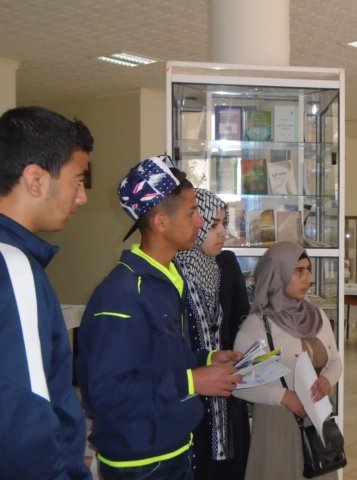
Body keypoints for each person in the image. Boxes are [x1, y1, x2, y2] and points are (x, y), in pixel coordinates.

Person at [76, 155, 243, 480]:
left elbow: (158, 361)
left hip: (174, 448)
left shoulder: (168, 279)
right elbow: (106, 393)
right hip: (141, 463)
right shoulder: (123, 294)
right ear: (161, 222)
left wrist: (206, 359)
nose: (200, 222)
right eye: (192, 212)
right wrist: (193, 381)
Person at [0, 106, 94, 479]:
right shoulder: (13, 267)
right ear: (36, 180)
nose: (82, 197)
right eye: (78, 180)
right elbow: (26, 414)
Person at [233, 241, 343, 480]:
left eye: (309, 269)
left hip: (316, 421)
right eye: (298, 271)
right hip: (277, 422)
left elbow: (335, 360)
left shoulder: (317, 316)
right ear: (277, 274)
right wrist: (284, 396)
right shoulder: (258, 325)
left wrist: (327, 379)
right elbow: (238, 383)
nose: (307, 278)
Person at [174, 189, 251, 480]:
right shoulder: (174, 270)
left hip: (227, 391)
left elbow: (240, 322)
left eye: (224, 223)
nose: (222, 232)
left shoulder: (226, 265)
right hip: (190, 393)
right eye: (214, 224)